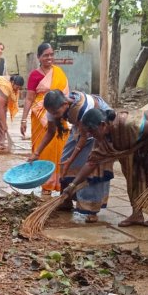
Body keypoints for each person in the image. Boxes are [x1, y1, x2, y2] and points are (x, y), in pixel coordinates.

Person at [66, 107, 148, 227]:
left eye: (92, 131)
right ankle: (137, 214)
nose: (91, 135)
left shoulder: (127, 123)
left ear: (103, 125)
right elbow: (91, 163)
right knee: (132, 173)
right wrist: (72, 185)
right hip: (138, 141)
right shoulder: (101, 139)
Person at [30, 89, 114, 222]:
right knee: (64, 161)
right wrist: (36, 153)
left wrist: (72, 159)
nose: (55, 116)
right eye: (52, 114)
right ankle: (66, 200)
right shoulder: (54, 109)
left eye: (57, 113)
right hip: (81, 127)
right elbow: (51, 131)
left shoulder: (83, 107)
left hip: (97, 126)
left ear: (65, 104)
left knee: (92, 165)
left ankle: (91, 209)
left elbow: (84, 137)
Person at [21, 42, 68, 194]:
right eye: (46, 55)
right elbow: (29, 98)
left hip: (58, 110)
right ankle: (46, 183)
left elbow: (64, 94)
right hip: (40, 113)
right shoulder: (34, 75)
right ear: (39, 57)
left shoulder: (59, 72)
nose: (49, 58)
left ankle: (61, 182)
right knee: (45, 147)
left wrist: (52, 92)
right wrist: (23, 119)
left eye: (51, 54)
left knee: (62, 146)